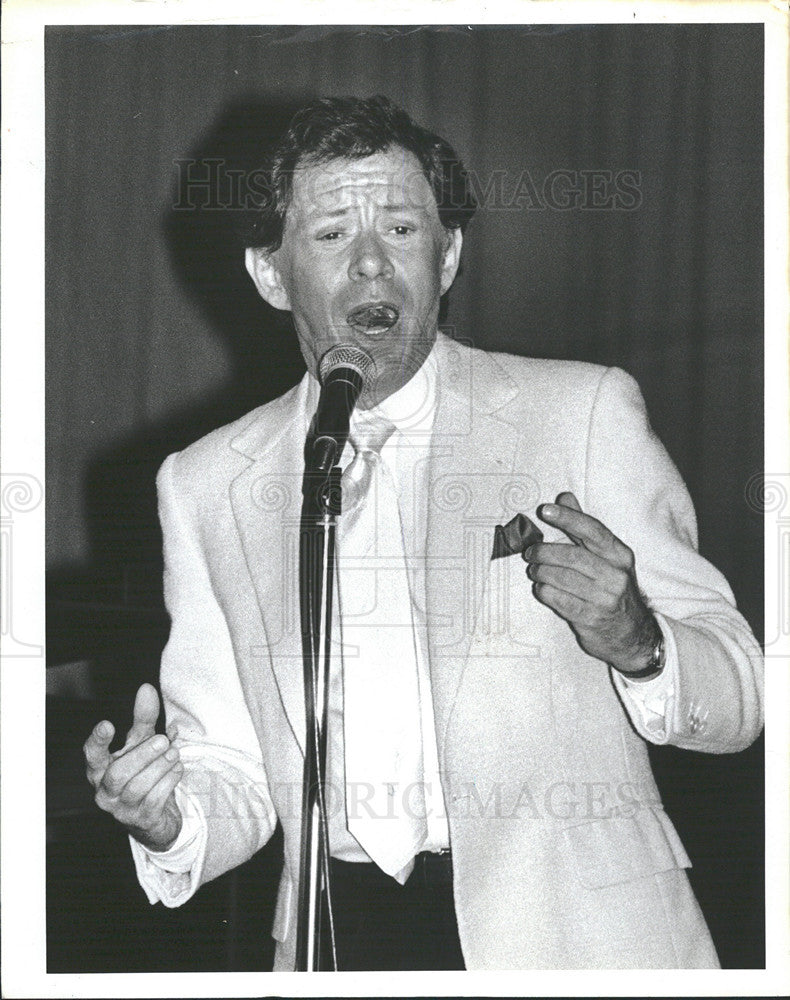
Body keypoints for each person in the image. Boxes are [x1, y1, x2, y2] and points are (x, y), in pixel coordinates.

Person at [83, 95, 763, 971]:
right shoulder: (205, 483)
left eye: (403, 231)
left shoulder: (582, 412)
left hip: (578, 943)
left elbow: (745, 696)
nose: (372, 265)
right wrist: (169, 815)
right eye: (331, 236)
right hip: (340, 942)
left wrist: (643, 643)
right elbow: (235, 771)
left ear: (447, 257)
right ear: (270, 274)